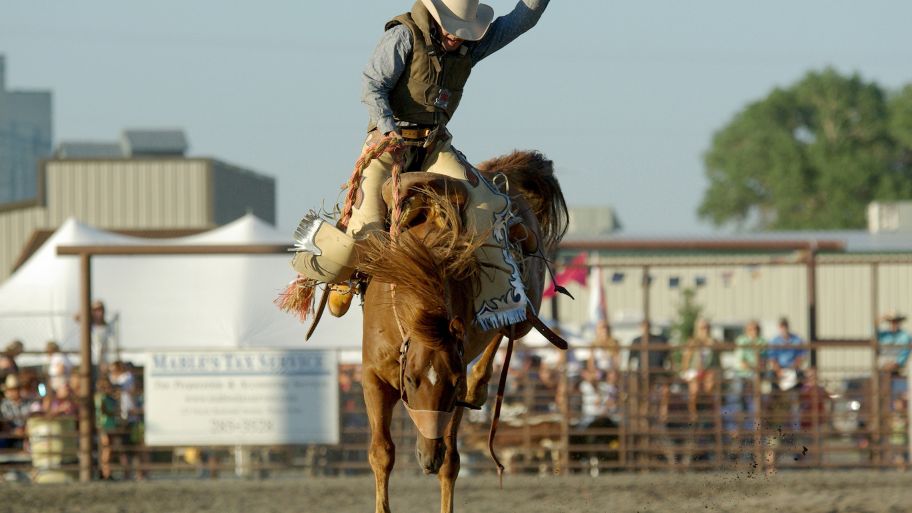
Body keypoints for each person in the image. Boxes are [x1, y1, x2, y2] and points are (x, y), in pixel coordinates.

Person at [289, 0, 552, 332]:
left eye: (463, 29)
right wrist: (388, 130)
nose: (457, 37)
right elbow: (372, 85)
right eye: (452, 27)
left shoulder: (472, 44)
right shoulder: (402, 37)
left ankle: (494, 298)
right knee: (368, 221)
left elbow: (523, 19)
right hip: (386, 147)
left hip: (434, 147)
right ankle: (346, 277)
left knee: (489, 205)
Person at [727, 320, 766, 433]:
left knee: (757, 397)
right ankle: (738, 426)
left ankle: (756, 424)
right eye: (751, 329)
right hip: (742, 374)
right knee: (738, 396)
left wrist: (755, 368)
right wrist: (754, 367)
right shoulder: (742, 340)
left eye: (756, 329)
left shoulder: (761, 341)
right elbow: (741, 361)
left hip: (755, 374)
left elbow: (763, 360)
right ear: (747, 330)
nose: (754, 331)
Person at [680, 318, 722, 417]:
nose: (705, 330)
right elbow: (686, 358)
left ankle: (708, 411)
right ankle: (693, 414)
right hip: (695, 369)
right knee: (694, 390)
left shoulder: (714, 341)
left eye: (707, 327)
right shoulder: (693, 341)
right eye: (702, 328)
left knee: (710, 384)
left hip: (709, 369)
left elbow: (718, 358)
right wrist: (685, 371)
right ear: (697, 329)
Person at [0, 375, 34, 449]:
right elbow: (4, 422)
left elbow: (31, 419)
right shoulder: (4, 405)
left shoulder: (28, 403)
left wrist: (25, 430)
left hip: (26, 434)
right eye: (10, 390)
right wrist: (13, 431)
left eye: (15, 389)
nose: (12, 392)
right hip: (10, 434)